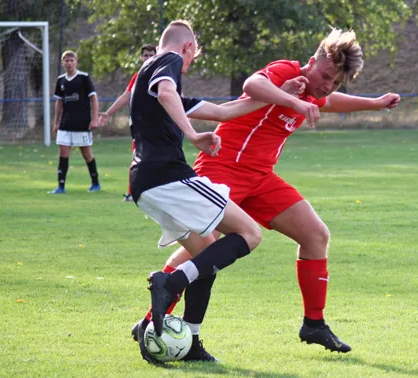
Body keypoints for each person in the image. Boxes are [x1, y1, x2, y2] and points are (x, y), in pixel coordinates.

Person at [134, 26, 401, 362]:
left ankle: (314, 323)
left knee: (316, 235)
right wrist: (293, 100)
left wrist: (374, 104)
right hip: (222, 168)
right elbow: (252, 86)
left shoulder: (316, 90)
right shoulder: (287, 71)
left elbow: (327, 101)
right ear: (312, 60)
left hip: (261, 178)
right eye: (326, 75)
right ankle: (149, 320)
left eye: (334, 81)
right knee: (204, 249)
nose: (327, 85)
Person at [128, 19, 309, 364]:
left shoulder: (156, 80)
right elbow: (166, 92)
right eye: (193, 56)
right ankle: (170, 283)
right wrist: (194, 136)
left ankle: (192, 341)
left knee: (207, 255)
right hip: (168, 177)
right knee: (250, 233)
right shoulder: (167, 61)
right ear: (188, 48)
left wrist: (283, 93)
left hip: (145, 185)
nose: (190, 63)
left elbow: (228, 111)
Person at [98, 44, 157, 202]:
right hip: (140, 126)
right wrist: (108, 113)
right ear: (141, 57)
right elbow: (126, 96)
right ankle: (133, 192)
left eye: (151, 55)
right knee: (138, 157)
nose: (148, 58)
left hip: (159, 125)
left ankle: (154, 191)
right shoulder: (138, 76)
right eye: (145, 55)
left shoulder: (162, 74)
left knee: (159, 157)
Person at [49, 51, 101, 194]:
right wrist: (56, 122)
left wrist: (94, 119)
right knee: (63, 154)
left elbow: (94, 98)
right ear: (62, 63)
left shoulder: (84, 78)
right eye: (66, 60)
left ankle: (95, 183)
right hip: (65, 124)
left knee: (86, 154)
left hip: (82, 124)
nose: (69, 63)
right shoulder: (61, 80)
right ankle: (61, 186)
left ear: (76, 62)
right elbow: (59, 102)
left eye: (72, 60)